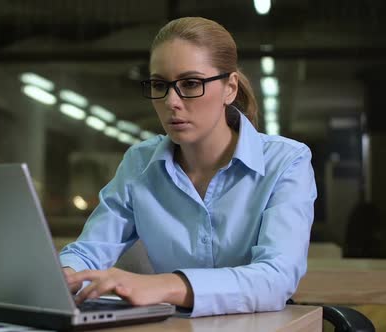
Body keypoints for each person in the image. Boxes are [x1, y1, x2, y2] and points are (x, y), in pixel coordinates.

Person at [59, 17, 317, 317]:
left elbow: (276, 277)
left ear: (229, 88)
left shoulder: (287, 161)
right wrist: (65, 276)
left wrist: (164, 285)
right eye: (160, 85)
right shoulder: (139, 163)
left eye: (191, 83)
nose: (172, 102)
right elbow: (89, 250)